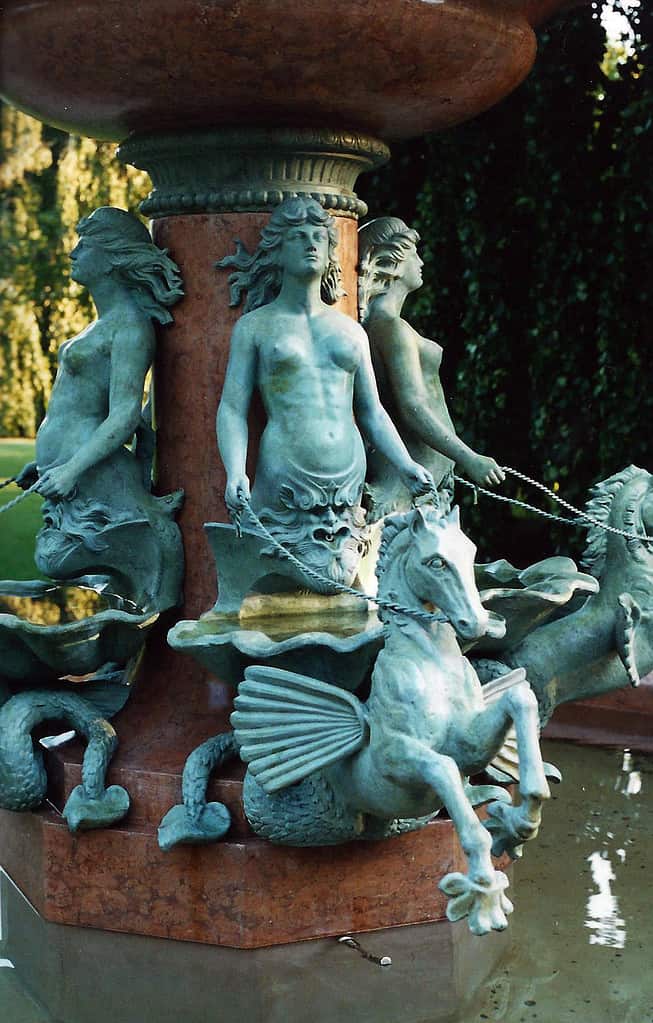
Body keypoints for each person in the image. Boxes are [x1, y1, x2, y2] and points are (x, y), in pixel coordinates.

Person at [216, 198, 434, 584]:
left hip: (347, 475)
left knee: (346, 583)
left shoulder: (350, 330)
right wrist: (235, 471)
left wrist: (405, 464)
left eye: (318, 236)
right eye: (298, 237)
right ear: (277, 251)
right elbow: (233, 408)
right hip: (284, 472)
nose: (310, 244)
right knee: (276, 579)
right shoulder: (255, 327)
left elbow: (372, 412)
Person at [17, 206, 185, 609]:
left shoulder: (129, 327)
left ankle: (150, 621)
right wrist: (48, 464)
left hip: (91, 469)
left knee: (57, 558)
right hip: (73, 464)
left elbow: (125, 414)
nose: (73, 253)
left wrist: (71, 469)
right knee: (59, 557)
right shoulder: (103, 324)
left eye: (85, 245)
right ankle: (125, 618)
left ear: (112, 259)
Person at [358, 217, 504, 517]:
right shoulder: (391, 328)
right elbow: (413, 406)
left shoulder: (387, 325)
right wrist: (469, 458)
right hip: (410, 484)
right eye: (414, 254)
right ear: (394, 261)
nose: (421, 262)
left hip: (426, 479)